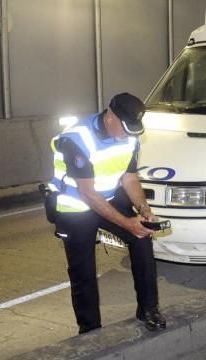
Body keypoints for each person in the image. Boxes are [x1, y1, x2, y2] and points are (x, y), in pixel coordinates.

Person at [48, 93, 166, 334]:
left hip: (110, 197)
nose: (128, 135)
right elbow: (88, 194)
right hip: (76, 206)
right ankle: (90, 331)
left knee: (142, 237)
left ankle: (148, 309)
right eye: (125, 128)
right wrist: (126, 223)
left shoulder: (129, 136)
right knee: (83, 270)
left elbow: (129, 177)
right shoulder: (77, 139)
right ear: (110, 116)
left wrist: (144, 210)